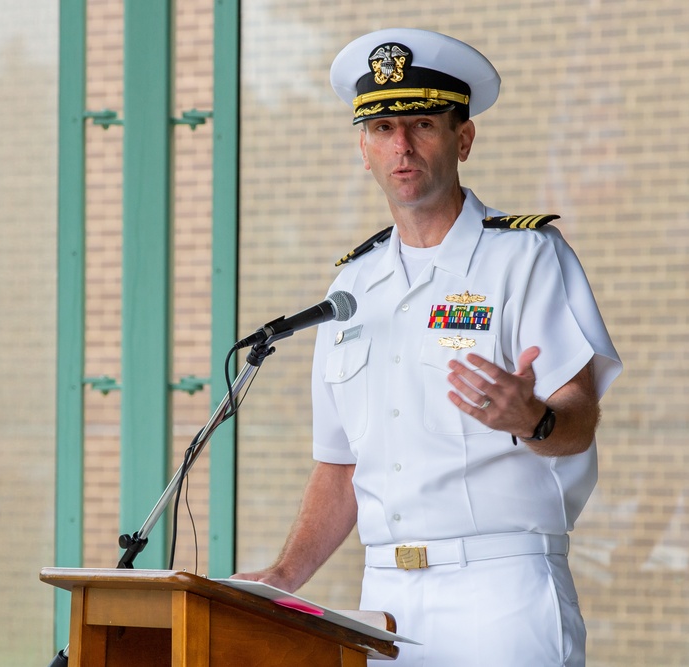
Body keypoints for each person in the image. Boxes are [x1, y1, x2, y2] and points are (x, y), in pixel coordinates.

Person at [233, 28, 623, 666]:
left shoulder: (525, 256)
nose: (402, 146)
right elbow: (340, 466)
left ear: (463, 139)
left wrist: (533, 418)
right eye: (383, 128)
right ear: (363, 147)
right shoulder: (351, 286)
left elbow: (578, 418)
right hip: (384, 601)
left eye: (422, 124)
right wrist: (283, 576)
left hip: (501, 586)